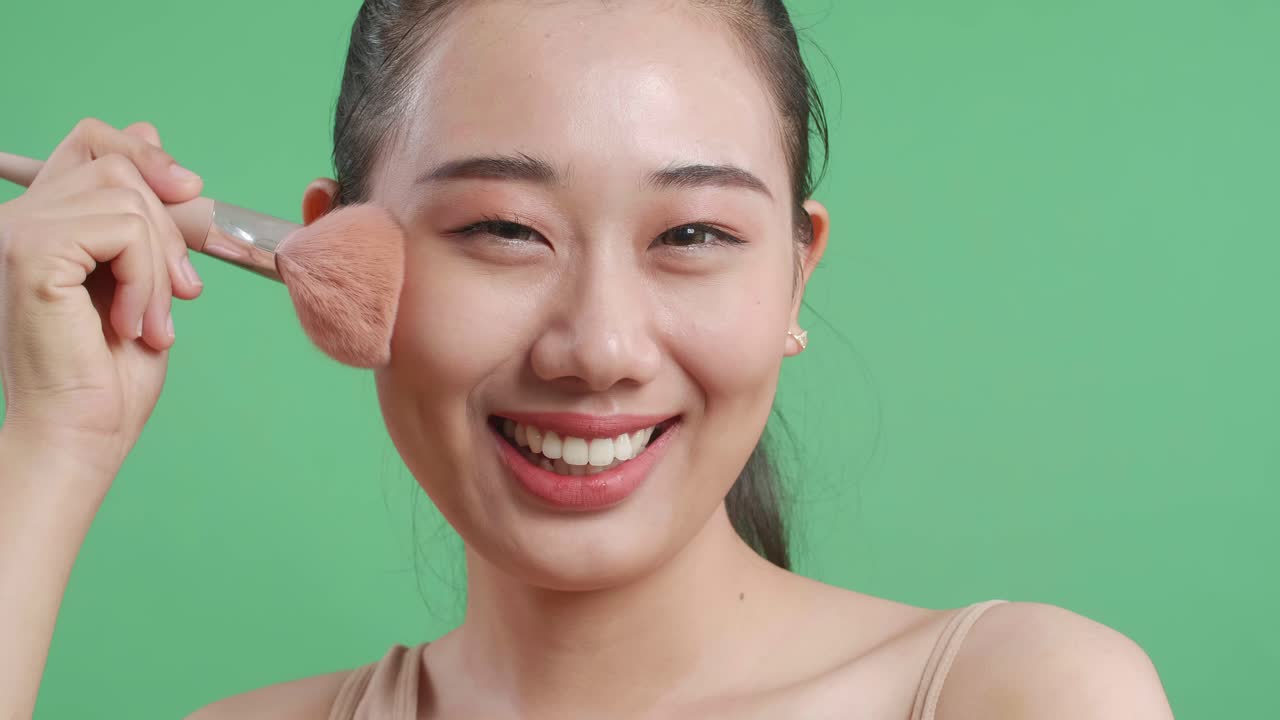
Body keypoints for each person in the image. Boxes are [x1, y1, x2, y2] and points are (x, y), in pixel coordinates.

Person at [0, 1, 1175, 718]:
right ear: (332, 258)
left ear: (792, 278)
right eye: (504, 230)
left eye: (694, 236)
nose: (598, 349)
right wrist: (55, 443)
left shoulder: (1019, 696)